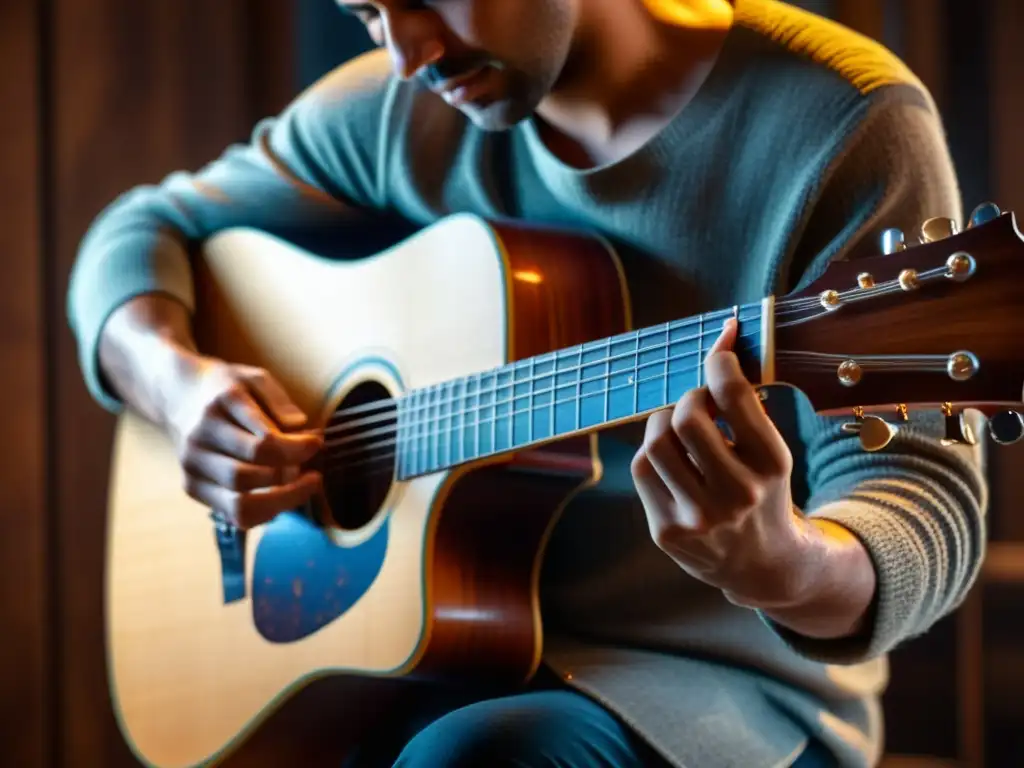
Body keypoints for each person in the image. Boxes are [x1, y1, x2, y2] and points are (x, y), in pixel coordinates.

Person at [67, 0, 989, 766]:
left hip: (718, 696)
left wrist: (782, 563)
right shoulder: (403, 108)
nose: (407, 52)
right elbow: (139, 231)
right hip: (439, 661)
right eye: (367, 13)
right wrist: (177, 387)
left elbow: (924, 506)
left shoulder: (841, 122)